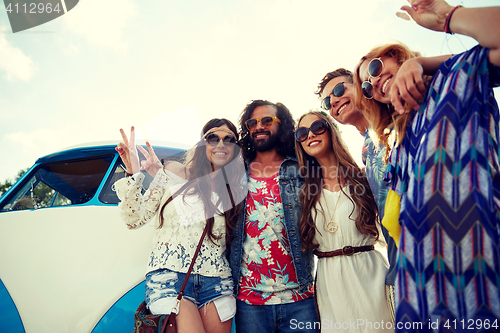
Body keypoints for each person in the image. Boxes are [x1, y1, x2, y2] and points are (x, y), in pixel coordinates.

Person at [354, 0, 500, 330]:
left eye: (376, 69)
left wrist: (448, 19)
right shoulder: (396, 143)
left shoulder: (456, 76)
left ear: (396, 55)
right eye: (366, 85)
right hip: (420, 285)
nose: (374, 83)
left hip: (483, 267)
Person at [113, 119, 245, 333]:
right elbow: (134, 218)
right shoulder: (175, 173)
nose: (221, 144)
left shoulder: (235, 191)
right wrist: (133, 172)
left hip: (218, 282)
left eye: (229, 139)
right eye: (213, 138)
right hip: (170, 279)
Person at [295, 110, 392, 332]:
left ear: (331, 130)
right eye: (302, 132)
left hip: (370, 275)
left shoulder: (365, 177)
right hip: (330, 282)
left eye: (317, 127)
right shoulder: (304, 192)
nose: (310, 135)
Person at [229, 100, 318, 333]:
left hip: (299, 297)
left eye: (267, 120)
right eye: (253, 122)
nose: (259, 126)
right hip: (250, 301)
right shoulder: (236, 171)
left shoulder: (301, 166)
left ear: (283, 125)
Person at [316, 69, 397, 322]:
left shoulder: (397, 125)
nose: (335, 101)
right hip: (401, 270)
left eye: (339, 90)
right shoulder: (367, 148)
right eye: (328, 101)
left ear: (361, 85)